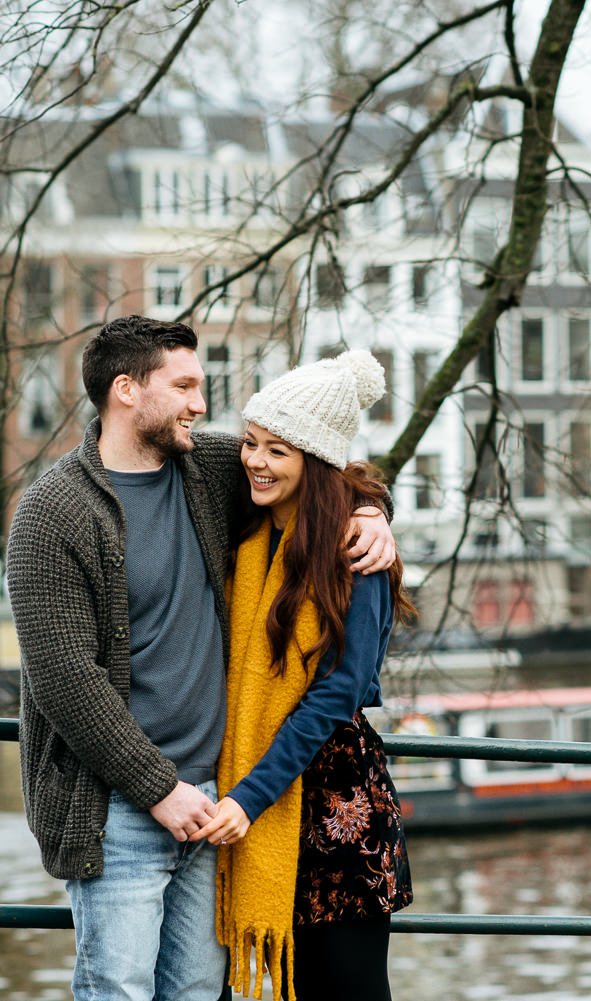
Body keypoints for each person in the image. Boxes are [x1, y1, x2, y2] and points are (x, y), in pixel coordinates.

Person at [4, 316, 396, 1001]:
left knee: (196, 992)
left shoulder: (208, 468)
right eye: (184, 385)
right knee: (118, 989)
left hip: (215, 800)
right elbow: (66, 680)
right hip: (119, 807)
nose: (201, 403)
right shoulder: (51, 512)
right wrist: (160, 790)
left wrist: (371, 510)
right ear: (127, 390)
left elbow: (316, 471)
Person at [193, 349, 415, 1001]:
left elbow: (337, 694)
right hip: (251, 791)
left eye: (278, 450)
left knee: (347, 988)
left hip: (336, 809)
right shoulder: (248, 531)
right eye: (251, 443)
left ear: (314, 461)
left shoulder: (356, 553)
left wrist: (248, 798)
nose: (255, 461)